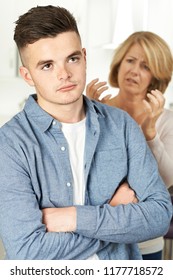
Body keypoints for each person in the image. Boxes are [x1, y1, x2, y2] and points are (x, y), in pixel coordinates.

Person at [0, 6, 172, 260]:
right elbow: (27, 253)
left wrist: (71, 217)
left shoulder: (121, 125)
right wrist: (112, 213)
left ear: (84, 57)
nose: (65, 75)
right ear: (27, 75)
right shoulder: (11, 143)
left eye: (72, 59)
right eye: (47, 65)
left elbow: (158, 216)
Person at [86, 31, 173, 260]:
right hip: (98, 238)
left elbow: (166, 180)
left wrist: (150, 134)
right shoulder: (95, 110)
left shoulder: (167, 121)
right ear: (119, 64)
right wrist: (90, 119)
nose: (134, 70)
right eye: (130, 60)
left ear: (156, 76)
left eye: (145, 66)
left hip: (146, 243)